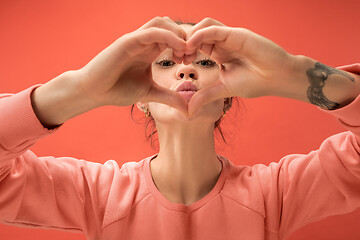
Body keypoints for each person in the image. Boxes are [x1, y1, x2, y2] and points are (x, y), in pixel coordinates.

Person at [0, 16, 359, 240]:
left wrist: (297, 75)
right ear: (139, 98)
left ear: (229, 96)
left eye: (205, 62)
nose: (185, 72)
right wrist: (79, 90)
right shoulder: (97, 194)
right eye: (166, 63)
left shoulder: (274, 194)